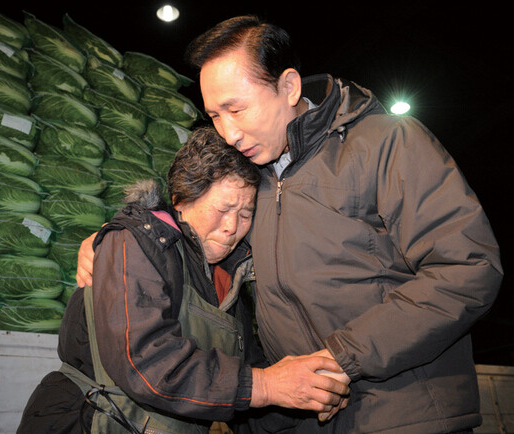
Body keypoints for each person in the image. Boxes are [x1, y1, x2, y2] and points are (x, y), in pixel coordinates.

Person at [77, 15, 504, 433]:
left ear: (289, 86)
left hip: (403, 412)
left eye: (236, 109)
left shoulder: (385, 143)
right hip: (303, 416)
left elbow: (468, 269)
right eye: (215, 116)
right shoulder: (251, 174)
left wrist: (342, 357)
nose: (227, 132)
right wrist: (119, 237)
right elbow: (196, 232)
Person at [19, 126, 350, 434]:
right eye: (223, 208)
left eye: (245, 213)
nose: (232, 226)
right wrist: (267, 385)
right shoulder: (137, 244)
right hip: (85, 422)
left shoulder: (230, 278)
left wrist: (308, 391)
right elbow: (146, 363)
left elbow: (241, 380)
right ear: (181, 200)